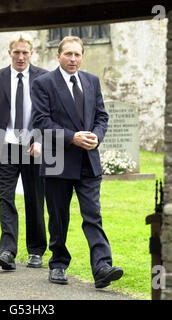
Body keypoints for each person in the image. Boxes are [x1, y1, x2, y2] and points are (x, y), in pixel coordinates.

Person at [31, 36, 123, 288]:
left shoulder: (91, 81)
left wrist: (96, 136)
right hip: (58, 160)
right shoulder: (43, 83)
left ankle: (102, 267)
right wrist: (73, 137)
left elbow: (101, 116)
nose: (73, 59)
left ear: (82, 56)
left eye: (77, 54)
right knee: (59, 217)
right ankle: (58, 264)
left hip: (88, 161)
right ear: (58, 56)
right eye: (68, 54)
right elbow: (41, 122)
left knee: (93, 215)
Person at [0, 33, 47, 270]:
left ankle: (36, 251)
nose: (20, 56)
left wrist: (40, 141)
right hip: (4, 146)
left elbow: (48, 116)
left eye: (25, 52)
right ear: (9, 52)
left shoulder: (44, 78)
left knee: (34, 199)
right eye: (16, 52)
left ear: (31, 53)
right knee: (6, 197)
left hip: (32, 147)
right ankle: (7, 251)